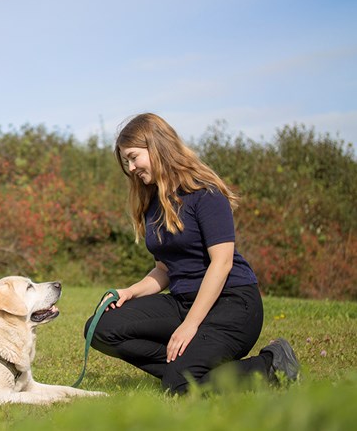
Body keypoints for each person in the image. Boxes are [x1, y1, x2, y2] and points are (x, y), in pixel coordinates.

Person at [84, 113, 299, 394]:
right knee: (99, 327)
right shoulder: (154, 203)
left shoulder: (205, 194)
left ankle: (272, 365)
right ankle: (194, 371)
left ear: (157, 146)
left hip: (231, 305)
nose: (131, 167)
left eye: (134, 157)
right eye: (127, 161)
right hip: (184, 301)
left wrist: (190, 326)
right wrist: (131, 291)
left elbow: (221, 264)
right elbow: (164, 270)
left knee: (180, 385)